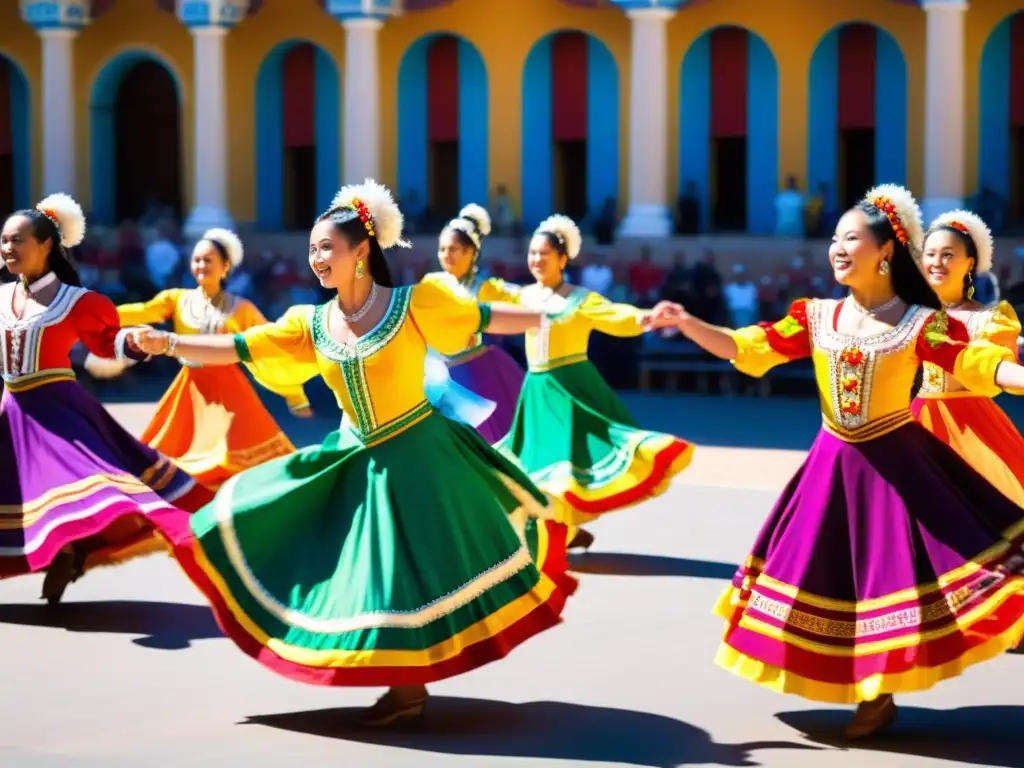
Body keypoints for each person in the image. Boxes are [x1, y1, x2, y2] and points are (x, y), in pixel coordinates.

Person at [133, 180, 578, 727]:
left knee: (413, 573)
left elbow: (481, 320)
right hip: (356, 455)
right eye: (313, 249)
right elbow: (239, 347)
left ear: (361, 251)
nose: (317, 258)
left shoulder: (415, 304)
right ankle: (404, 685)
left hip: (421, 453)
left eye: (328, 248)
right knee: (346, 563)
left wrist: (545, 319)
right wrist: (169, 343)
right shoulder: (311, 323)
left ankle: (408, 686)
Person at [648, 185, 1024, 738]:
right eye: (834, 238)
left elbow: (975, 363)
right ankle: (867, 689)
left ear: (886, 250)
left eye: (850, 237)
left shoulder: (921, 322)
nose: (838, 248)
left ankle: (876, 693)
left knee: (888, 578)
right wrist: (687, 323)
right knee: (834, 579)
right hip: (831, 467)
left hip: (898, 466)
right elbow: (747, 347)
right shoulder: (816, 316)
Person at [0, 194, 213, 604]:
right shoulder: (3, 296)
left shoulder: (77, 301)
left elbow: (106, 343)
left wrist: (133, 343)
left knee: (72, 488)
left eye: (18, 240)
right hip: (11, 411)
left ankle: (69, 550)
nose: (8, 248)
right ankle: (65, 551)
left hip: (58, 411)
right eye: (5, 240)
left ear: (46, 245)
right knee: (15, 493)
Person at [492, 214, 693, 551]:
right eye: (532, 253)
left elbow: (617, 316)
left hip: (570, 390)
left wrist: (645, 318)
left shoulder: (580, 299)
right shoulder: (522, 296)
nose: (537, 260)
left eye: (544, 254)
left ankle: (561, 529)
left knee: (565, 466)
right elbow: (487, 298)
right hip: (536, 392)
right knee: (533, 466)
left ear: (562, 259)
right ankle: (562, 529)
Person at [86, 229, 310, 490]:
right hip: (189, 390)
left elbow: (271, 348)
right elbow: (143, 311)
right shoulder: (177, 299)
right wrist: (94, 314)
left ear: (225, 267)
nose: (201, 265)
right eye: (196, 260)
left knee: (232, 464)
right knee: (174, 464)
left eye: (208, 260)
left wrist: (295, 396)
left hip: (230, 395)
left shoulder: (242, 309)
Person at [912, 210, 1024, 508]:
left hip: (970, 429)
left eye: (948, 254)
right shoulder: (910, 314)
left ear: (969, 263)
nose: (936, 262)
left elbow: (1001, 371)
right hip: (914, 425)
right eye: (931, 253)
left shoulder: (989, 319)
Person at [420, 204, 526, 443]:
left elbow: (520, 299)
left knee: (481, 441)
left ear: (471, 253)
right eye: (442, 249)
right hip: (435, 374)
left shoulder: (485, 288)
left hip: (474, 373)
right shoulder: (430, 285)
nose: (447, 254)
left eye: (454, 249)